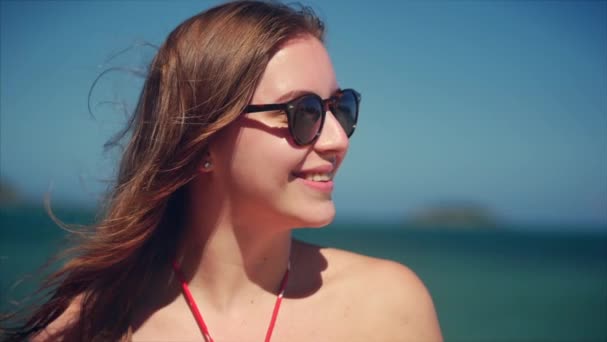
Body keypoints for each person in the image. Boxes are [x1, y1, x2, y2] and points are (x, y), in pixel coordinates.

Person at [2, 1, 442, 341]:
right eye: (303, 113)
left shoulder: (388, 307)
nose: (337, 140)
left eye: (340, 108)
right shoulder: (94, 326)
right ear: (200, 143)